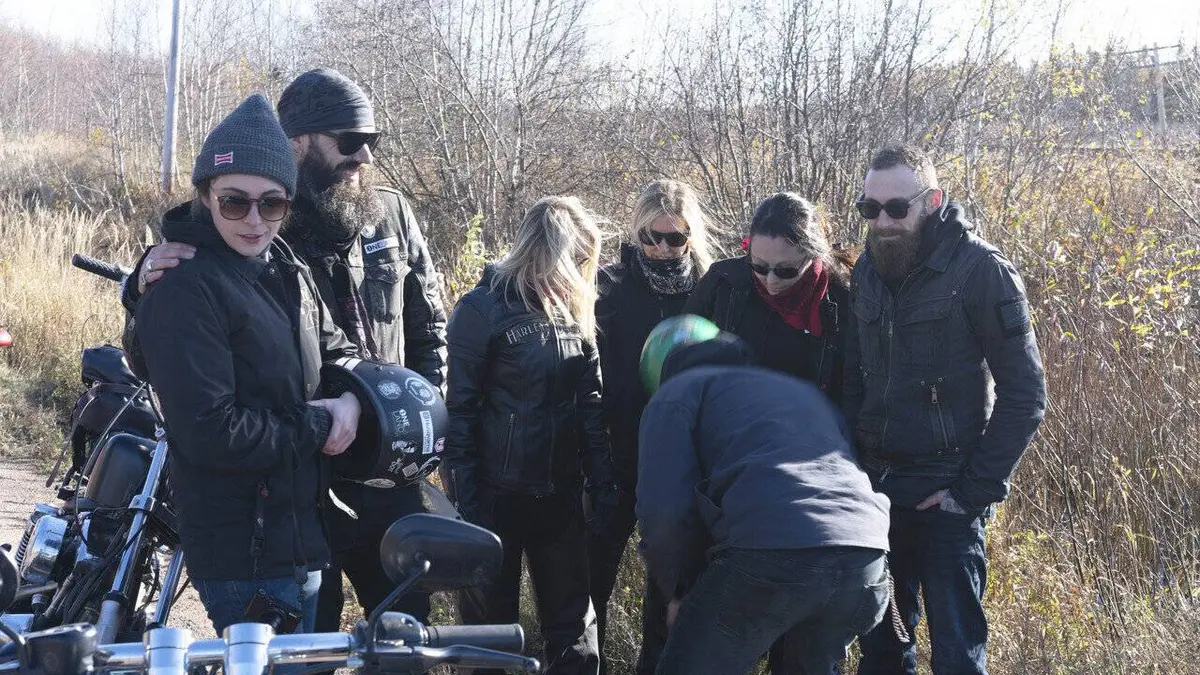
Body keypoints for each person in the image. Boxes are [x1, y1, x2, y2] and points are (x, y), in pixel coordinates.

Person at [122, 67, 448, 629]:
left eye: (372, 142)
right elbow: (169, 362)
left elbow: (427, 325)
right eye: (349, 142)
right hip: (288, 483)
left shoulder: (381, 215)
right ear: (298, 143)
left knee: (401, 635)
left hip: (377, 461)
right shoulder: (238, 239)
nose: (364, 157)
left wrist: (407, 415)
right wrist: (138, 289)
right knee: (302, 638)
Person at [135, 94, 361, 634]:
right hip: (245, 551)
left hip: (301, 536)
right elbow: (210, 430)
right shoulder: (184, 286)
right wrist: (323, 422)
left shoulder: (284, 265)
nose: (255, 220)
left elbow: (335, 350)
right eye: (235, 201)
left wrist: (354, 394)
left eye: (273, 203)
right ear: (206, 197)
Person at [844, 143, 1046, 674]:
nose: (882, 221)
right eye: (870, 209)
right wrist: (854, 477)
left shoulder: (982, 271)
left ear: (932, 200)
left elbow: (1026, 393)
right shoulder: (865, 270)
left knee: (958, 659)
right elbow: (851, 382)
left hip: (947, 497)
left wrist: (969, 494)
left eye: (896, 208)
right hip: (879, 497)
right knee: (884, 655)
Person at [635, 317, 892, 675]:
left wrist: (679, 590)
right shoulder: (799, 391)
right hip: (867, 559)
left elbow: (663, 512)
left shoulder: (676, 394)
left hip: (772, 555)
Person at [443, 196, 616, 674]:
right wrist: (466, 504)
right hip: (495, 496)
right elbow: (460, 411)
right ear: (551, 249)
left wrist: (603, 486)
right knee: (488, 639)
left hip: (559, 495)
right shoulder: (482, 307)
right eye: (579, 256)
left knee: (575, 633)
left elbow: (591, 406)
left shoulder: (573, 308)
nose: (585, 268)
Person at [590, 179, 712, 675]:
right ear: (636, 232)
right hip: (616, 455)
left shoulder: (711, 287)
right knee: (589, 583)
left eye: (674, 239)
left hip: (682, 462)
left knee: (670, 589)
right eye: (651, 237)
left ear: (691, 237)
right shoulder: (608, 287)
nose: (662, 250)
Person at [683, 192, 853, 401]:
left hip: (805, 427)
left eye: (786, 270)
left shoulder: (841, 304)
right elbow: (683, 352)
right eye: (759, 266)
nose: (771, 280)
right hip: (728, 420)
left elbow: (852, 392)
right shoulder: (723, 283)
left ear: (812, 255)